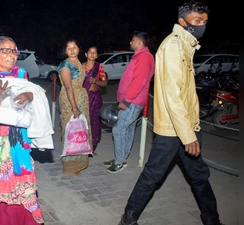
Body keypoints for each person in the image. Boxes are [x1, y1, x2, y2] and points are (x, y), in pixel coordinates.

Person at [118, 2, 224, 225]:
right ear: (183, 21)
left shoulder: (186, 45)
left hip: (187, 125)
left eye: (204, 22)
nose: (202, 25)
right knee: (153, 176)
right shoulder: (174, 47)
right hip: (173, 130)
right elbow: (173, 95)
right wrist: (188, 135)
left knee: (199, 176)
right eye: (197, 21)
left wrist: (191, 129)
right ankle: (127, 220)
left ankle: (212, 220)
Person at [0, 36, 49, 225]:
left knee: (25, 191)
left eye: (14, 51)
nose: (11, 55)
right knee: (3, 196)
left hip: (19, 144)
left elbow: (37, 102)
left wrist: (30, 95)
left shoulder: (22, 76)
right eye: (5, 50)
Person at [103, 31, 155, 173]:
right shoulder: (140, 56)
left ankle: (119, 162)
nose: (130, 42)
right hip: (133, 101)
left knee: (118, 129)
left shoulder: (144, 57)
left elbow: (138, 81)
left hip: (132, 102)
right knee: (128, 129)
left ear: (139, 42)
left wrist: (126, 101)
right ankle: (122, 158)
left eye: (132, 40)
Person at [58, 38, 92, 176]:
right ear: (65, 51)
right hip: (70, 99)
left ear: (79, 49)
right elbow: (68, 87)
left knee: (81, 130)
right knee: (70, 130)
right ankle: (70, 165)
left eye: (74, 47)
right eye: (69, 48)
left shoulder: (78, 63)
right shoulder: (65, 65)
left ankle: (80, 161)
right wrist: (74, 107)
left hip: (81, 97)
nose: (72, 50)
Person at [81, 45, 107, 153]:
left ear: (96, 55)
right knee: (83, 121)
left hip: (95, 98)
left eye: (94, 52)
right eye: (90, 52)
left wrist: (96, 82)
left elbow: (104, 83)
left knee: (94, 121)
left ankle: (92, 146)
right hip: (83, 97)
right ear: (86, 54)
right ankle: (82, 145)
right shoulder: (81, 67)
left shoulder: (99, 67)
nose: (92, 54)